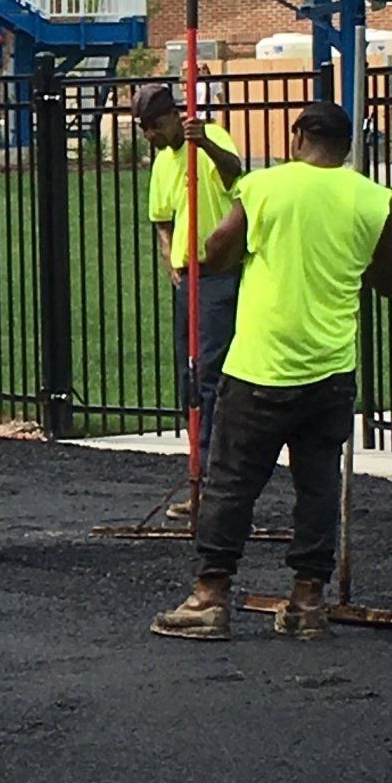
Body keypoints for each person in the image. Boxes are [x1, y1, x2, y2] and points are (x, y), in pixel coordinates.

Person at [151, 101, 392, 643]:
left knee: (232, 483)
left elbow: (217, 249)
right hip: (331, 368)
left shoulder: (264, 186)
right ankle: (307, 600)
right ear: (347, 147)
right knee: (316, 485)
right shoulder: (375, 201)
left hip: (262, 365)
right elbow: (389, 278)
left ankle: (210, 596)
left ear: (296, 137)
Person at [134, 80, 243, 511]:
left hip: (218, 275)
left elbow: (237, 174)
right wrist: (167, 252)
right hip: (187, 277)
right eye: (143, 128)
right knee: (189, 379)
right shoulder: (163, 162)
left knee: (210, 376)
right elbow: (161, 217)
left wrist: (206, 148)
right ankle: (197, 469)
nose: (150, 135)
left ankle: (212, 478)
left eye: (155, 125)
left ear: (174, 116)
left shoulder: (210, 138)